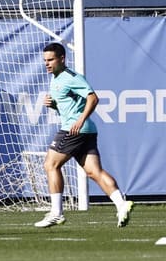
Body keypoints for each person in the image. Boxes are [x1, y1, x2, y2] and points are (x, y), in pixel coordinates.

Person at [35, 42, 134, 228]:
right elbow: (71, 104)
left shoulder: (71, 77)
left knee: (50, 164)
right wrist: (55, 105)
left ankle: (56, 213)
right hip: (86, 131)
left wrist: (80, 119)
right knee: (93, 172)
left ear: (62, 59)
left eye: (50, 60)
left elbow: (93, 97)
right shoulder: (56, 78)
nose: (47, 64)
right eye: (45, 61)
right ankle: (122, 204)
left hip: (73, 130)